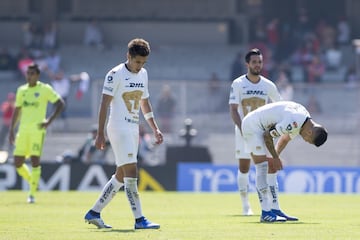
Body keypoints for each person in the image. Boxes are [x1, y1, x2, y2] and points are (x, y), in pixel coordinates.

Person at [84, 38, 163, 230]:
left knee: (120, 175)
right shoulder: (115, 74)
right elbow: (104, 103)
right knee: (131, 172)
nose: (139, 66)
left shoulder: (143, 74)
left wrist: (155, 127)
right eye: (137, 62)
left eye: (143, 63)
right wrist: (100, 133)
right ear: (128, 56)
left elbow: (144, 103)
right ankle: (139, 220)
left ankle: (94, 212)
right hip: (118, 127)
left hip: (133, 128)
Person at [241, 101, 328, 222]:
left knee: (271, 167)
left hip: (259, 126)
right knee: (262, 167)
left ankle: (275, 209)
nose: (306, 141)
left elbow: (285, 138)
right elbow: (267, 136)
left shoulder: (304, 120)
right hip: (252, 125)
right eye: (309, 140)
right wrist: (275, 158)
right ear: (310, 132)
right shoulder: (295, 122)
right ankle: (265, 213)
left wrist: (275, 157)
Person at [229, 48, 284, 216]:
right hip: (243, 133)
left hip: (262, 134)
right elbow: (233, 109)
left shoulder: (268, 85)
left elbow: (280, 106)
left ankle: (270, 206)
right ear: (247, 64)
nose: (257, 65)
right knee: (244, 168)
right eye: (254, 62)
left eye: (260, 62)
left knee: (266, 167)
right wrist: (243, 129)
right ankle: (246, 205)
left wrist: (272, 129)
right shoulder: (238, 84)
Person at [9, 63, 65, 203]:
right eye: (28, 73)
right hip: (22, 131)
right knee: (17, 162)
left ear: (38, 75)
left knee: (34, 161)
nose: (29, 76)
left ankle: (32, 194)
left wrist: (49, 121)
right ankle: (33, 181)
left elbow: (60, 104)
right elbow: (17, 111)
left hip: (37, 131)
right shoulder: (21, 90)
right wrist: (11, 130)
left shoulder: (44, 89)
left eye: (32, 73)